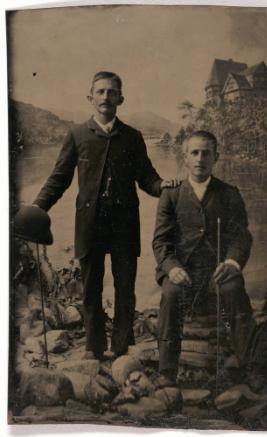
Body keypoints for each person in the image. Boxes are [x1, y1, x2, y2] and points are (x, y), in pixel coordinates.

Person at [33, 71, 179, 360]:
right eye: (100, 92)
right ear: (90, 98)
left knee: (125, 287)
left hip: (125, 225)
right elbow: (59, 178)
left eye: (112, 92)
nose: (106, 97)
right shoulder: (76, 134)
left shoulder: (133, 137)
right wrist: (38, 207)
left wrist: (161, 185)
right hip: (89, 225)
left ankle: (122, 347)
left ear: (120, 98)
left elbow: (146, 177)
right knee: (91, 287)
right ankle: (93, 347)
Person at [152, 130, 256, 386]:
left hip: (217, 272)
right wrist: (171, 267)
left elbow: (241, 237)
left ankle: (247, 365)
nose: (200, 159)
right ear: (185, 157)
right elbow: (161, 241)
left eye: (206, 153)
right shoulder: (171, 195)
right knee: (171, 295)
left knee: (235, 290)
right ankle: (166, 372)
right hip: (183, 272)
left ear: (216, 157)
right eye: (194, 153)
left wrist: (231, 263)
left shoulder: (229, 193)